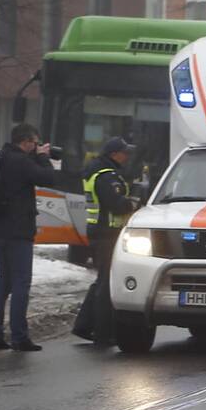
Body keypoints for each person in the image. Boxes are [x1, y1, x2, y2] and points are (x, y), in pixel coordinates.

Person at [0, 123, 57, 352]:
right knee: (20, 284)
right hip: (18, 231)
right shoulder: (21, 161)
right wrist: (44, 157)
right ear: (25, 142)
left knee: (2, 282)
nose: (36, 147)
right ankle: (19, 337)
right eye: (34, 143)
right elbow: (48, 178)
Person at [73, 136, 137, 346]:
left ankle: (85, 326)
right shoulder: (106, 176)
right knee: (106, 282)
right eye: (124, 152)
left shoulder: (98, 171)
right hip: (107, 233)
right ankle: (102, 332)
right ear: (113, 154)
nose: (127, 156)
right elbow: (116, 205)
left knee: (102, 279)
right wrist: (133, 204)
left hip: (100, 232)